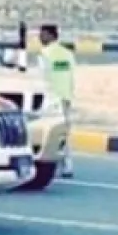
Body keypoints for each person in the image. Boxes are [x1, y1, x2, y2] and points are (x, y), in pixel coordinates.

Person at [38, 23, 76, 178]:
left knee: (51, 133)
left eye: (42, 34)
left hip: (51, 98)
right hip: (65, 96)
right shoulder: (67, 54)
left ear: (51, 35)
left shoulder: (44, 54)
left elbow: (42, 77)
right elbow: (71, 76)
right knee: (64, 133)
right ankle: (67, 165)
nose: (40, 37)